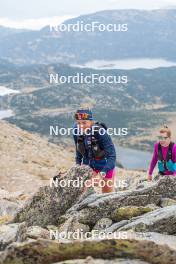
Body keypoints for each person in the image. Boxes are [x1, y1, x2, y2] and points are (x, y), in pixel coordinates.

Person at [73, 109, 116, 193]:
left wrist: (102, 174)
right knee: (81, 192)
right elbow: (78, 149)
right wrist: (77, 165)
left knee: (107, 196)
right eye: (78, 123)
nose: (81, 126)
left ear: (91, 122)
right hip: (88, 165)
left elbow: (112, 156)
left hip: (105, 166)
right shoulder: (76, 130)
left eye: (84, 123)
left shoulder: (100, 132)